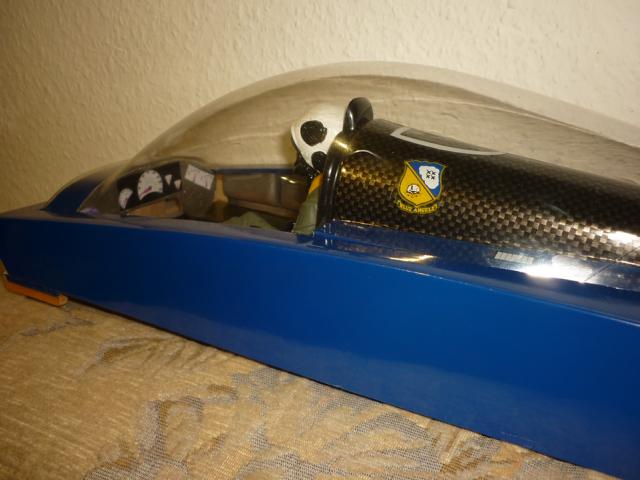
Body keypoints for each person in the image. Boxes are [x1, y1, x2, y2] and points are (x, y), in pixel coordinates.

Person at [291, 104, 344, 234]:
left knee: (246, 219)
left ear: (320, 157)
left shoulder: (317, 202)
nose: (297, 162)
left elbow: (298, 241)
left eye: (300, 154)